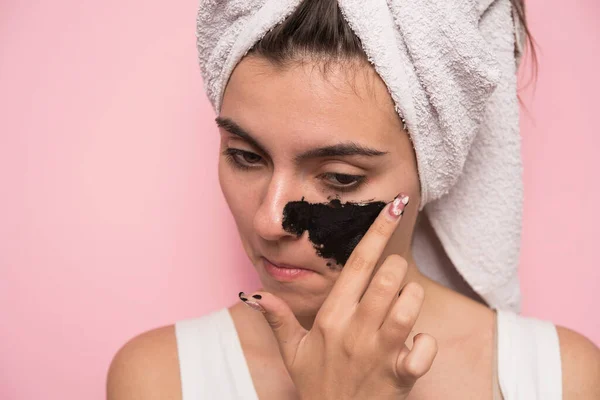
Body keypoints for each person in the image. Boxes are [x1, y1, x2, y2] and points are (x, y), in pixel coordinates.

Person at [106, 0, 600, 399]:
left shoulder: (561, 379)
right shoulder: (160, 379)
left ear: (431, 171)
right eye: (245, 157)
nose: (270, 221)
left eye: (340, 178)